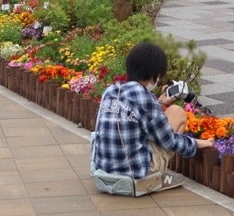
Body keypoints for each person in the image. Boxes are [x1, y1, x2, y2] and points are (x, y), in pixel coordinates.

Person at [92, 43, 214, 188]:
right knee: (177, 112)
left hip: (104, 170)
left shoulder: (110, 91)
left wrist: (160, 102)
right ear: (152, 75)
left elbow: (133, 115)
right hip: (135, 173)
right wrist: (197, 143)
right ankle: (156, 178)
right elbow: (169, 141)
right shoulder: (144, 98)